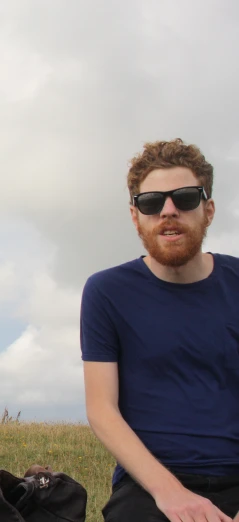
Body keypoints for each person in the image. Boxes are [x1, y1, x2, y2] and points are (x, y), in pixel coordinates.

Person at [81, 138, 239, 522]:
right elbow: (102, 408)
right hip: (151, 487)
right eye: (152, 202)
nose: (168, 211)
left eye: (185, 197)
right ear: (136, 216)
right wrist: (172, 496)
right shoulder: (106, 291)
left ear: (209, 209)